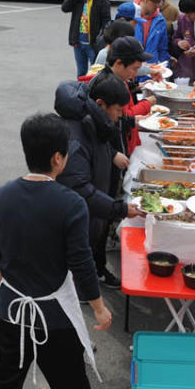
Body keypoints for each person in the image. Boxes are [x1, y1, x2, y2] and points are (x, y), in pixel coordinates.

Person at [0, 113, 112, 389]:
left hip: (11, 313)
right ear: (58, 158)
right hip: (54, 319)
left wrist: (16, 287)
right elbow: (81, 263)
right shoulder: (71, 204)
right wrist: (99, 308)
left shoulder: (3, 195)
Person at [54, 75, 142, 288]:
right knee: (75, 270)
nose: (120, 117)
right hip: (81, 218)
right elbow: (80, 190)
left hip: (93, 215)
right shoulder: (77, 135)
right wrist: (118, 208)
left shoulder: (95, 123)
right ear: (100, 104)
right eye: (118, 111)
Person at [101, 37, 157, 154]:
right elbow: (109, 124)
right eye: (134, 69)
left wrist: (136, 86)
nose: (135, 74)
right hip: (116, 149)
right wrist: (146, 104)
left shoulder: (120, 79)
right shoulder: (108, 88)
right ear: (119, 63)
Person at [61, 0, 111, 77]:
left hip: (93, 44)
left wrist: (101, 41)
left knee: (95, 73)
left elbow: (107, 23)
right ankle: (81, 93)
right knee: (81, 73)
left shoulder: (102, 1)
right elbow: (65, 8)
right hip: (78, 43)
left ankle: (92, 93)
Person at [134, 0, 170, 65]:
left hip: (153, 70)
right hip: (131, 70)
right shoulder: (129, 15)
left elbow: (162, 49)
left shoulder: (160, 20)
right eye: (155, 1)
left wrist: (165, 68)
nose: (158, 5)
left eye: (160, 1)